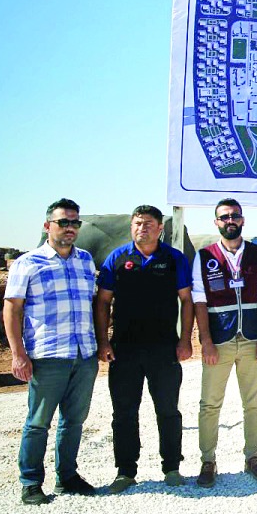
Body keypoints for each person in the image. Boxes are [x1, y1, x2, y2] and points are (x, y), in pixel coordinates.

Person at [4, 198, 100, 505]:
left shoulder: (85, 260)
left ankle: (67, 477)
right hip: (48, 355)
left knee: (74, 420)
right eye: (63, 222)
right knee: (38, 422)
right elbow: (12, 309)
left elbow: (93, 304)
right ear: (48, 226)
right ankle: (31, 482)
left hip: (83, 354)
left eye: (75, 222)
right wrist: (18, 354)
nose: (70, 228)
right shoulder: (28, 263)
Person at [95, 205, 194, 493]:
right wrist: (103, 341)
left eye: (149, 223)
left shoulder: (173, 258)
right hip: (124, 349)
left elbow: (187, 300)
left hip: (164, 348)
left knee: (168, 410)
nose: (143, 228)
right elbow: (103, 302)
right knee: (124, 412)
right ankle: (125, 471)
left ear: (160, 228)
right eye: (138, 223)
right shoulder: (117, 257)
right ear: (131, 226)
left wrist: (185, 340)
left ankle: (172, 467)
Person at [191, 198, 257, 488]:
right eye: (224, 217)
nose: (230, 221)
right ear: (216, 222)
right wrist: (206, 341)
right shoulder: (204, 256)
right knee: (210, 404)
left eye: (234, 216)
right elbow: (199, 301)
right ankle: (208, 460)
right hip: (219, 340)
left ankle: (252, 456)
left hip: (252, 339)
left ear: (242, 220)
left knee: (254, 403)